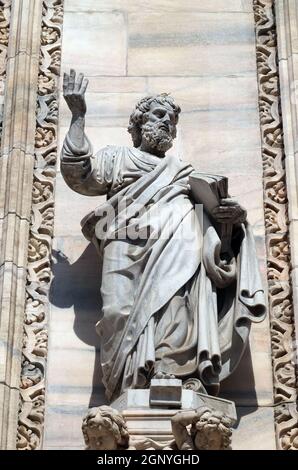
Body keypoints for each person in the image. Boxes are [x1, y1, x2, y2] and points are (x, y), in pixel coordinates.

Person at [61, 69, 266, 401]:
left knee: (176, 305)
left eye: (171, 119)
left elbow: (217, 220)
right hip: (124, 244)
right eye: (159, 114)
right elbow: (80, 176)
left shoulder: (184, 173)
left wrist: (234, 220)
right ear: (140, 121)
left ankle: (173, 372)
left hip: (177, 247)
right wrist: (78, 117)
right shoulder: (117, 157)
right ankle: (125, 384)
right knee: (117, 313)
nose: (167, 123)